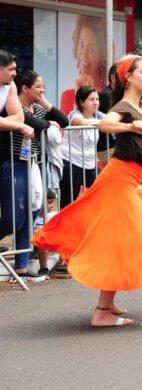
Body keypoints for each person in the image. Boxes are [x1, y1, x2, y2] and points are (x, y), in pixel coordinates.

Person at [33, 55, 142, 327]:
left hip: (127, 182)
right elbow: (105, 124)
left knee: (121, 241)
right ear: (128, 78)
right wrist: (129, 126)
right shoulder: (123, 107)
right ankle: (101, 312)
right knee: (119, 243)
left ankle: (108, 303)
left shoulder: (136, 104)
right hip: (119, 181)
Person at [10, 69, 70, 280]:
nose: (42, 90)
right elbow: (34, 123)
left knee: (33, 212)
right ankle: (20, 262)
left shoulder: (38, 108)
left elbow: (63, 121)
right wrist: (47, 123)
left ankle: (22, 267)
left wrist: (43, 101)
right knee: (16, 216)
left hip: (34, 164)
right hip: (15, 163)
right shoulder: (14, 107)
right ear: (25, 88)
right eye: (38, 87)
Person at [0, 51, 40, 282]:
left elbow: (19, 117)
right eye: (11, 69)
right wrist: (15, 124)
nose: (15, 73)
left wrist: (13, 123)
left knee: (15, 217)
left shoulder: (10, 86)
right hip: (7, 158)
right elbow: (16, 121)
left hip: (7, 158)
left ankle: (22, 266)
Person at [59, 86, 105, 209]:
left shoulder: (98, 115)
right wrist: (104, 123)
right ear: (82, 102)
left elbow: (113, 120)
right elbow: (81, 122)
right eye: (91, 99)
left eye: (97, 99)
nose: (96, 102)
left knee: (106, 185)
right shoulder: (74, 114)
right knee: (68, 203)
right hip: (71, 163)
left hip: (90, 164)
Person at [60, 16, 107, 113]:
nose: (83, 55)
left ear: (102, 55)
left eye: (91, 49)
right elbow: (69, 122)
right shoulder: (68, 96)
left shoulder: (108, 95)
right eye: (81, 45)